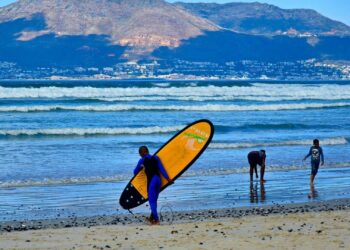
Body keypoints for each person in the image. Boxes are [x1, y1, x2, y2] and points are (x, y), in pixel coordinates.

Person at [133, 146, 172, 225]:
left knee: (152, 202)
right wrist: (168, 179)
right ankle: (152, 218)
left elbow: (135, 172)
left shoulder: (142, 160)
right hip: (158, 180)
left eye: (139, 153)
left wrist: (141, 167)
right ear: (148, 151)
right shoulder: (156, 158)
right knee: (155, 200)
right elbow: (162, 169)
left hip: (152, 181)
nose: (139, 155)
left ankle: (157, 220)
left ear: (141, 153)